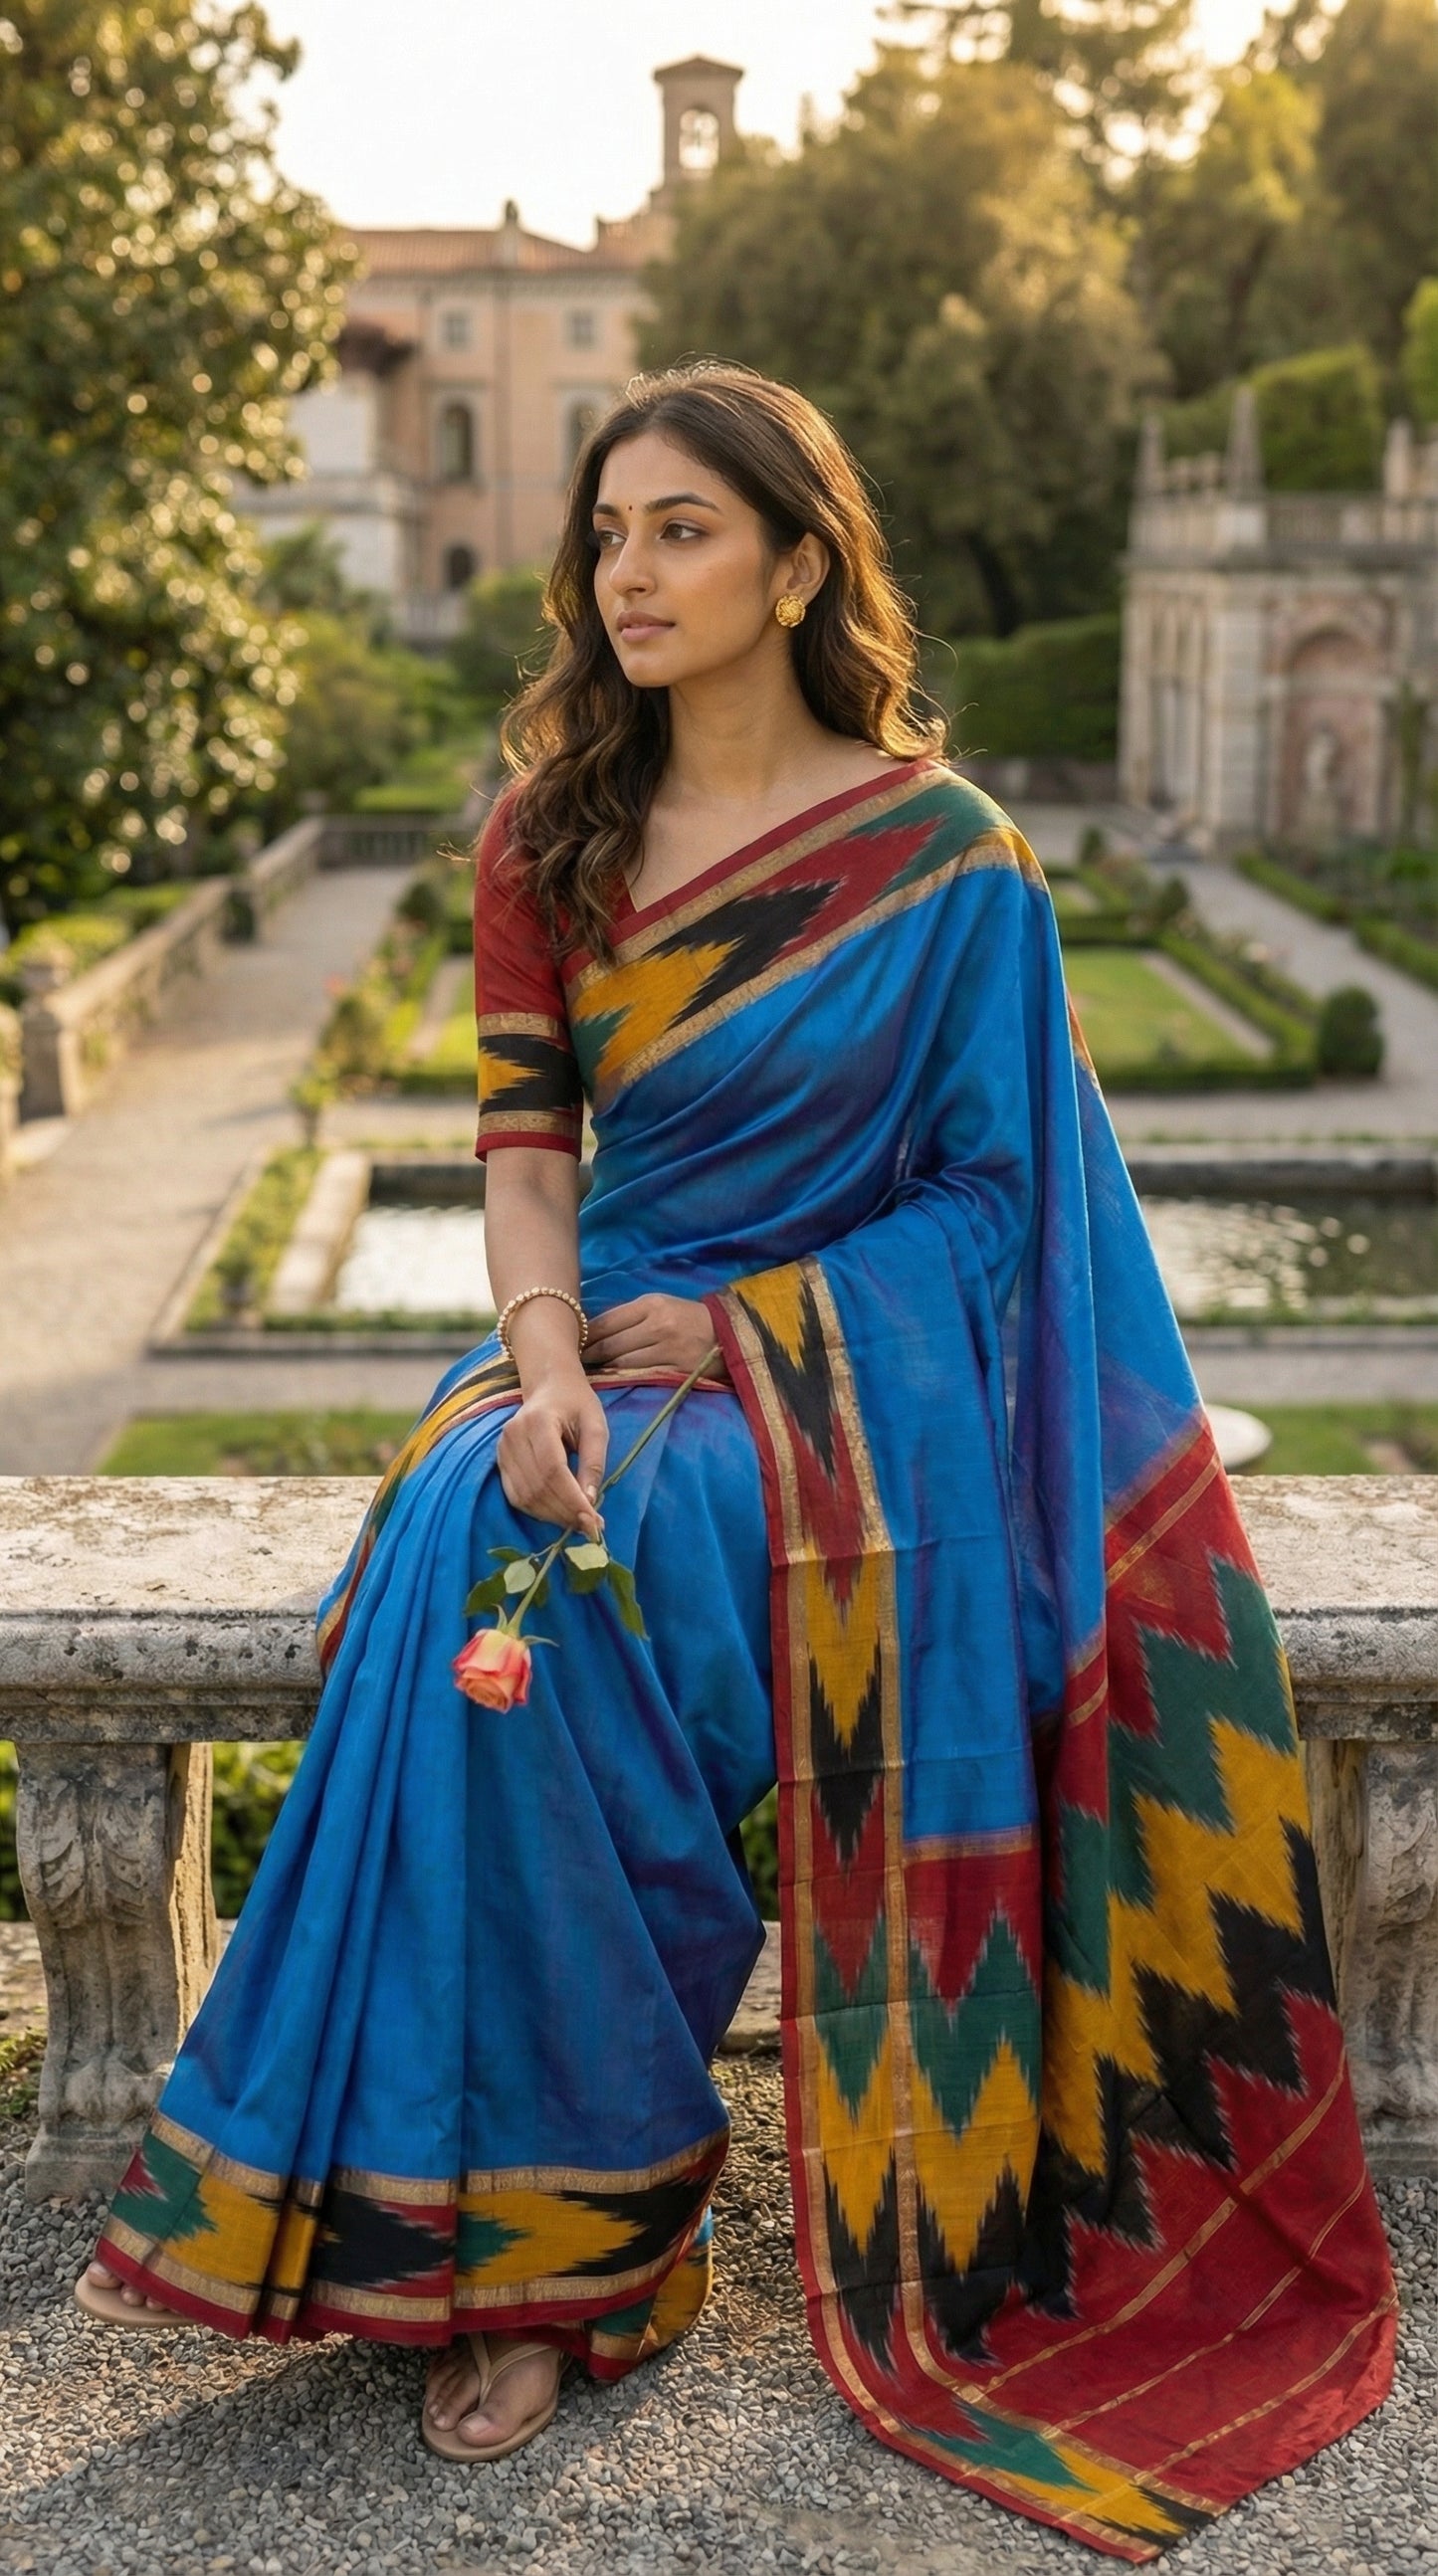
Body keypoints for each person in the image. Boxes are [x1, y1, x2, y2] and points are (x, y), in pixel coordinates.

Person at [77, 363, 1394, 2552]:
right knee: (477, 1537)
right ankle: (505, 2239)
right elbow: (521, 1157)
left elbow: (996, 1205)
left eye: (681, 528)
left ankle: (572, 2242)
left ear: (799, 559)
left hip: (827, 1388)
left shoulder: (946, 864)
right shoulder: (548, 834)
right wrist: (544, 1347)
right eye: (608, 533)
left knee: (582, 1585)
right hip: (585, 1338)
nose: (629, 572)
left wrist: (768, 1331)